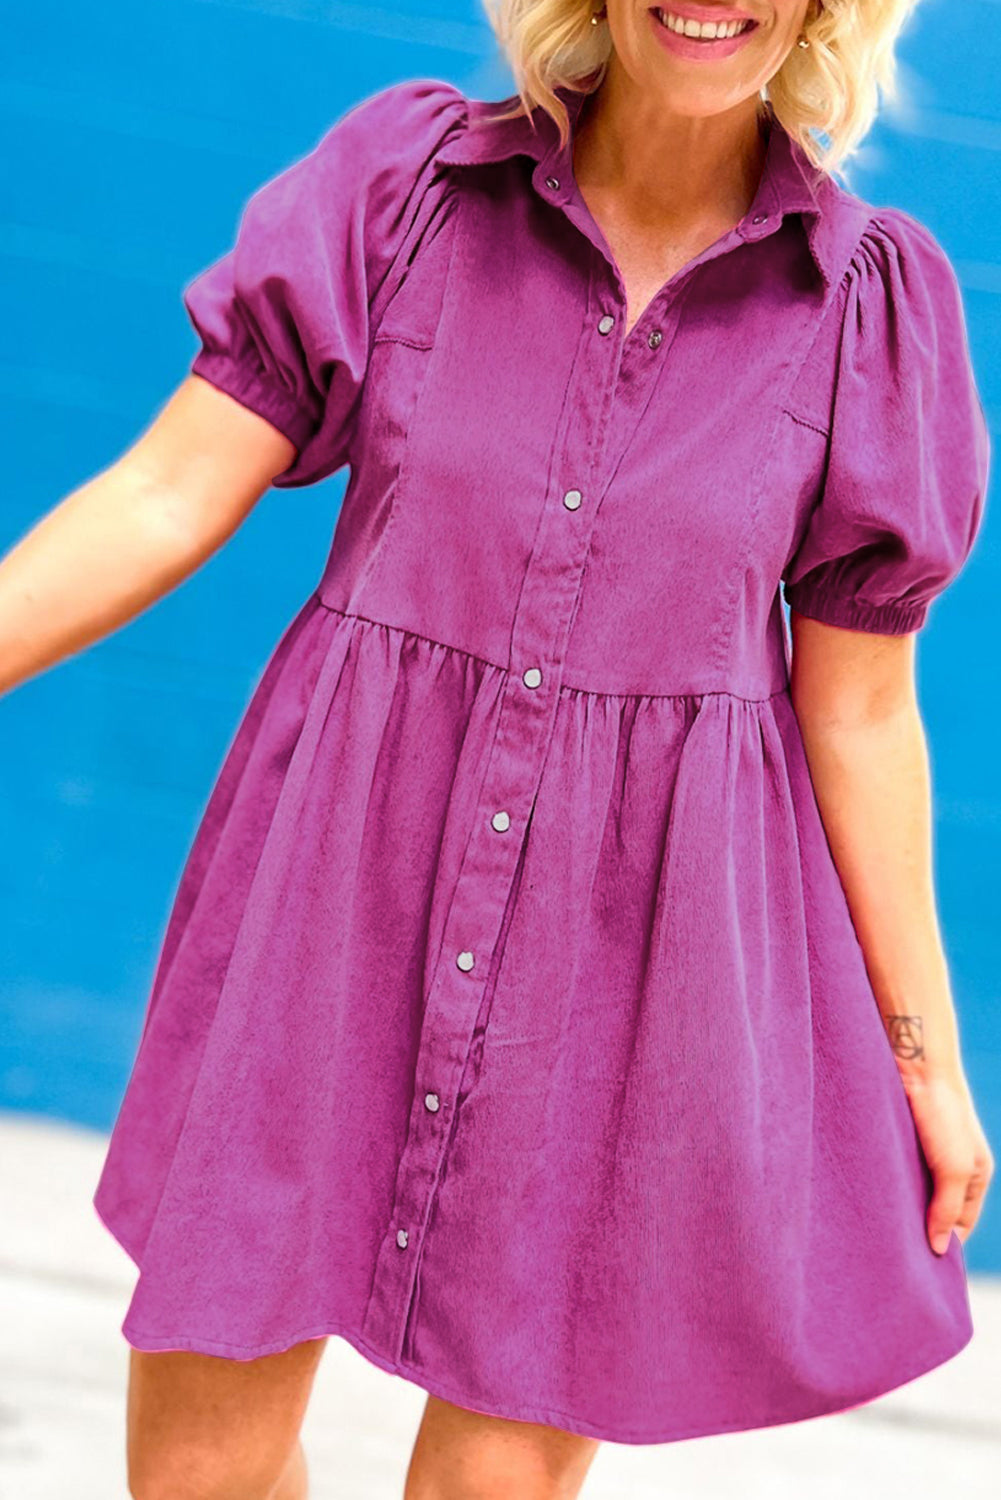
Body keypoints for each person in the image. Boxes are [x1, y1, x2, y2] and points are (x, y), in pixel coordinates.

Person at [1, 0, 995, 1495]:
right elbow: (164, 493)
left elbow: (857, 711)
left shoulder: (863, 305)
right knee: (197, 1472)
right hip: (333, 907)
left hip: (631, 965)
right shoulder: (406, 187)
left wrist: (924, 1058)